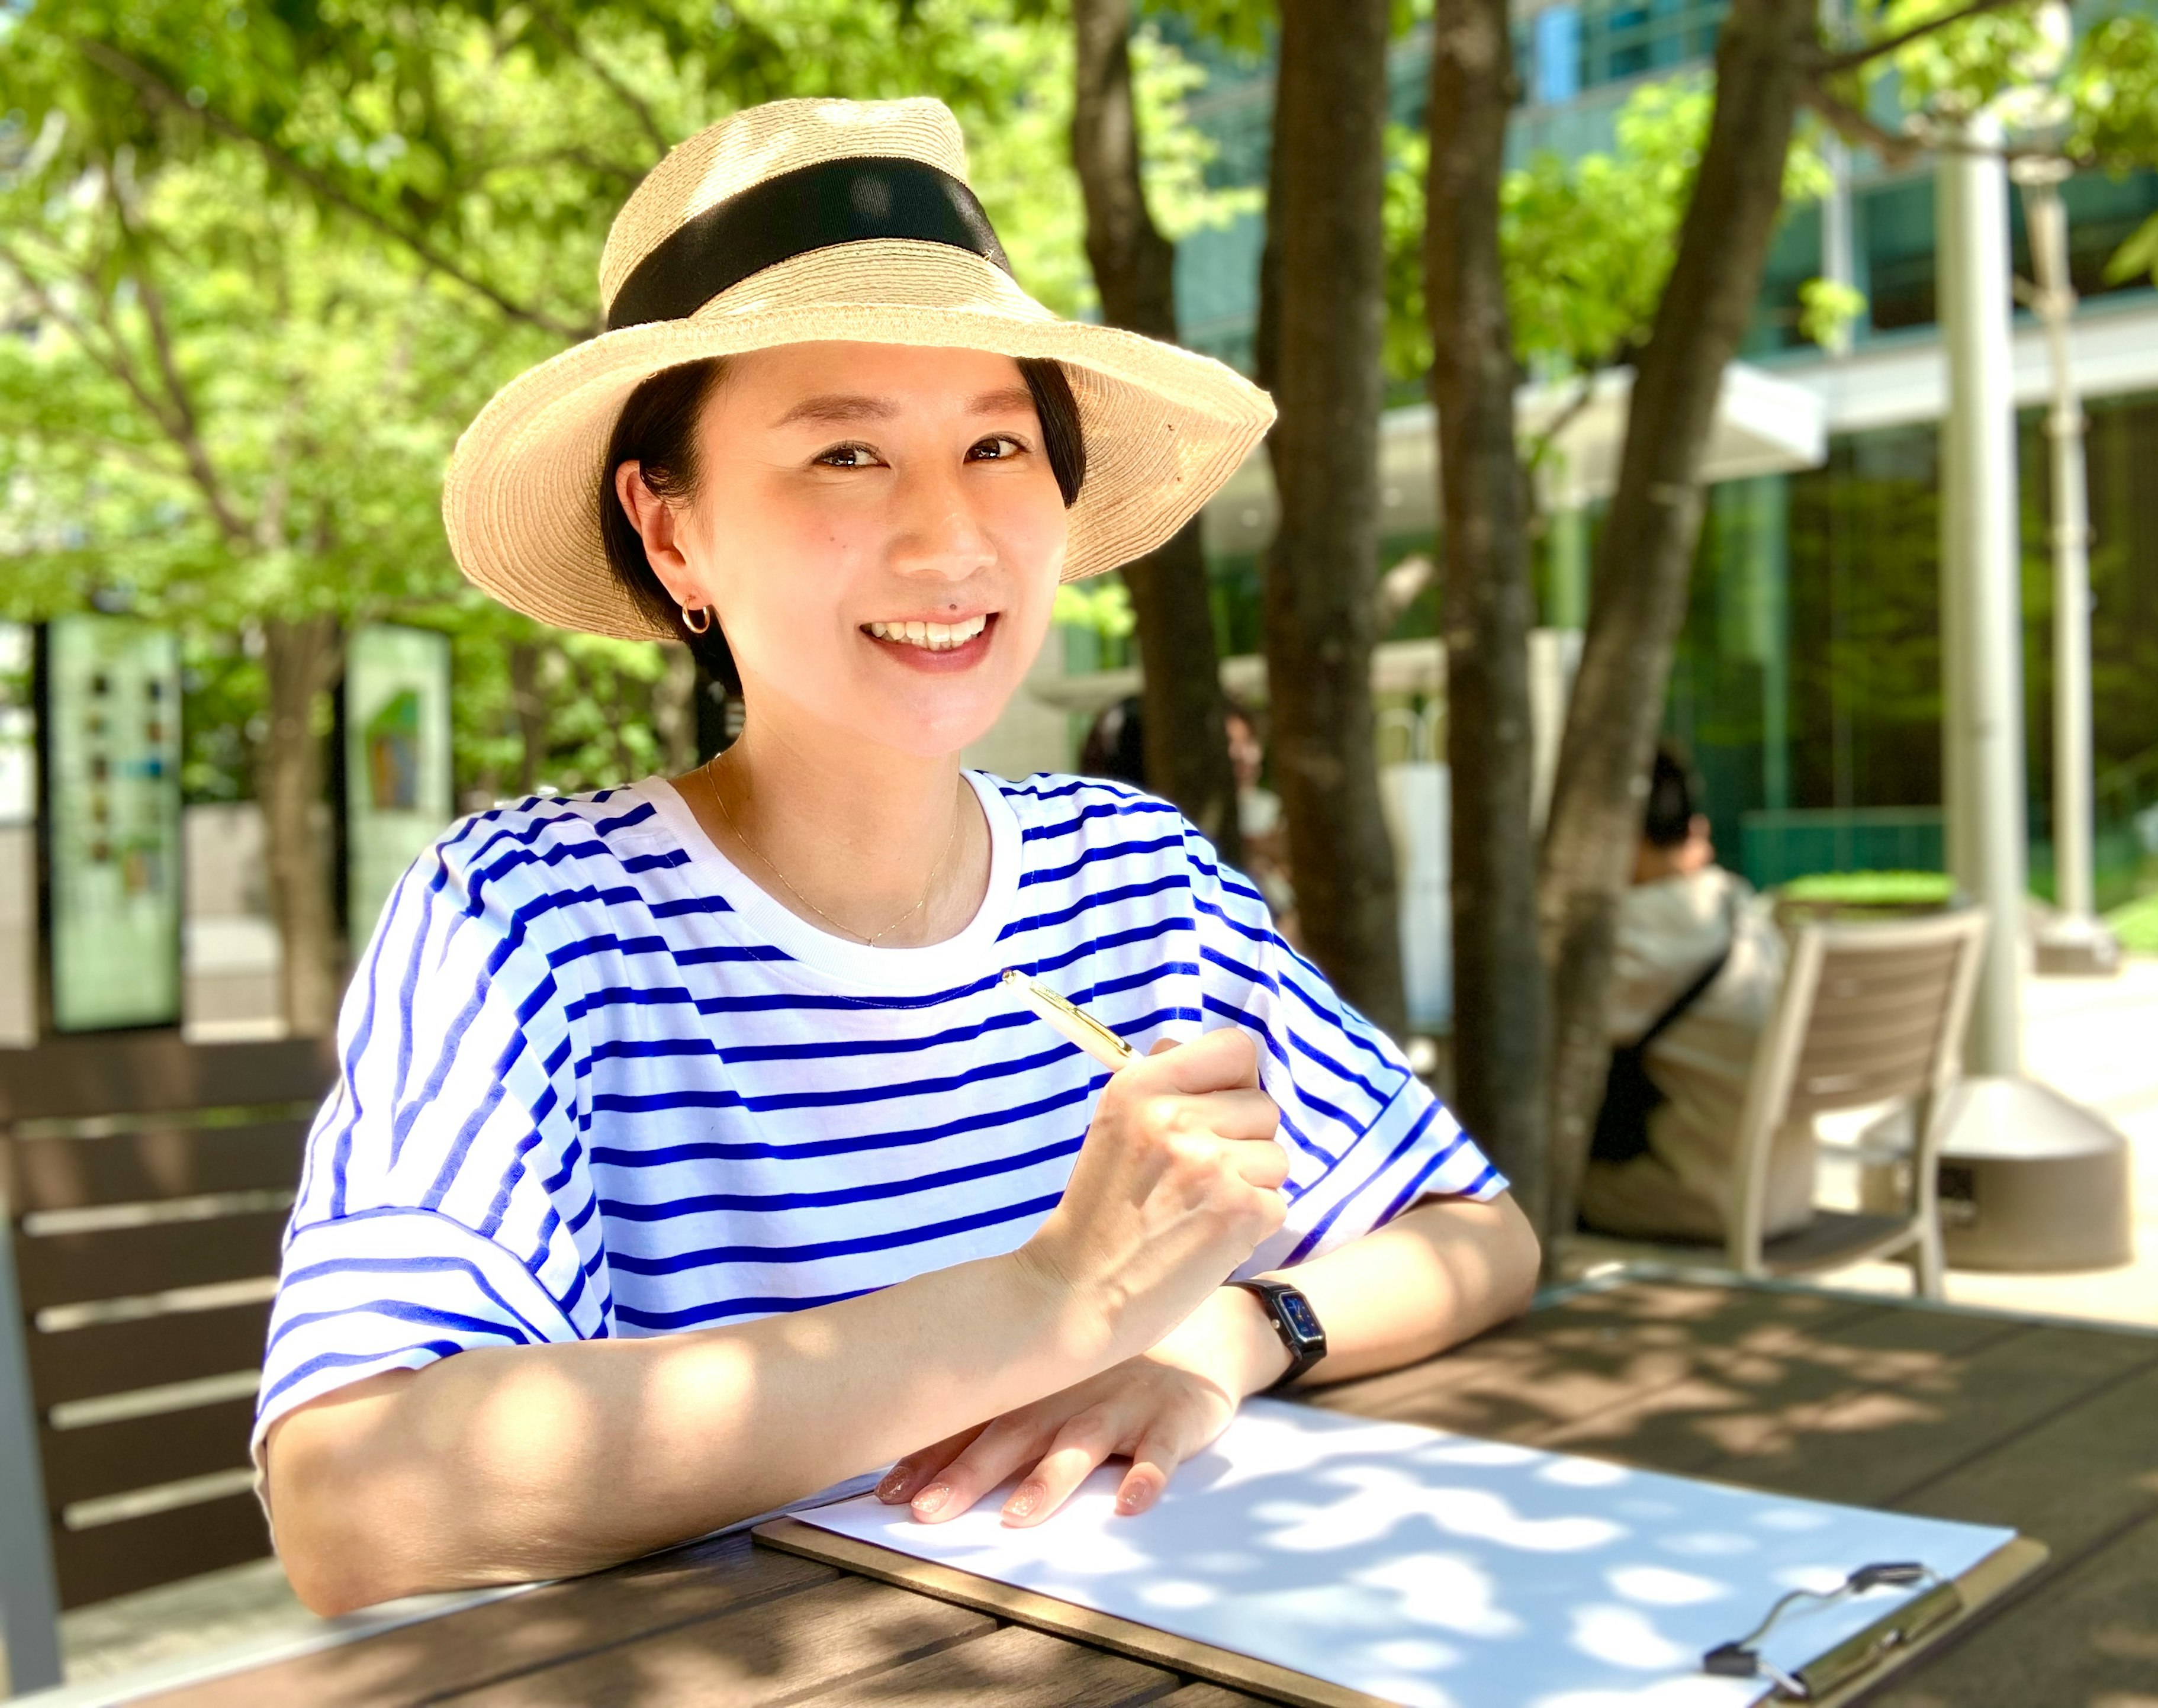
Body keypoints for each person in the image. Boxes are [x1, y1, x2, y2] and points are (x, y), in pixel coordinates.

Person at [258, 97, 1539, 1616]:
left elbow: (1475, 1233)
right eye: (846, 453)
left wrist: (1215, 1342)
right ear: (669, 535)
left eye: (997, 441)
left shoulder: (1138, 877)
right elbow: (353, 1497)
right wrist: (1048, 1306)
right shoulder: (534, 916)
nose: (951, 540)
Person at [1578, 747, 1801, 1244]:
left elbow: (1541, 1042)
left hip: (1702, 1198)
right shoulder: (1738, 902)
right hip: (1788, 1192)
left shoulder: (1633, 934)